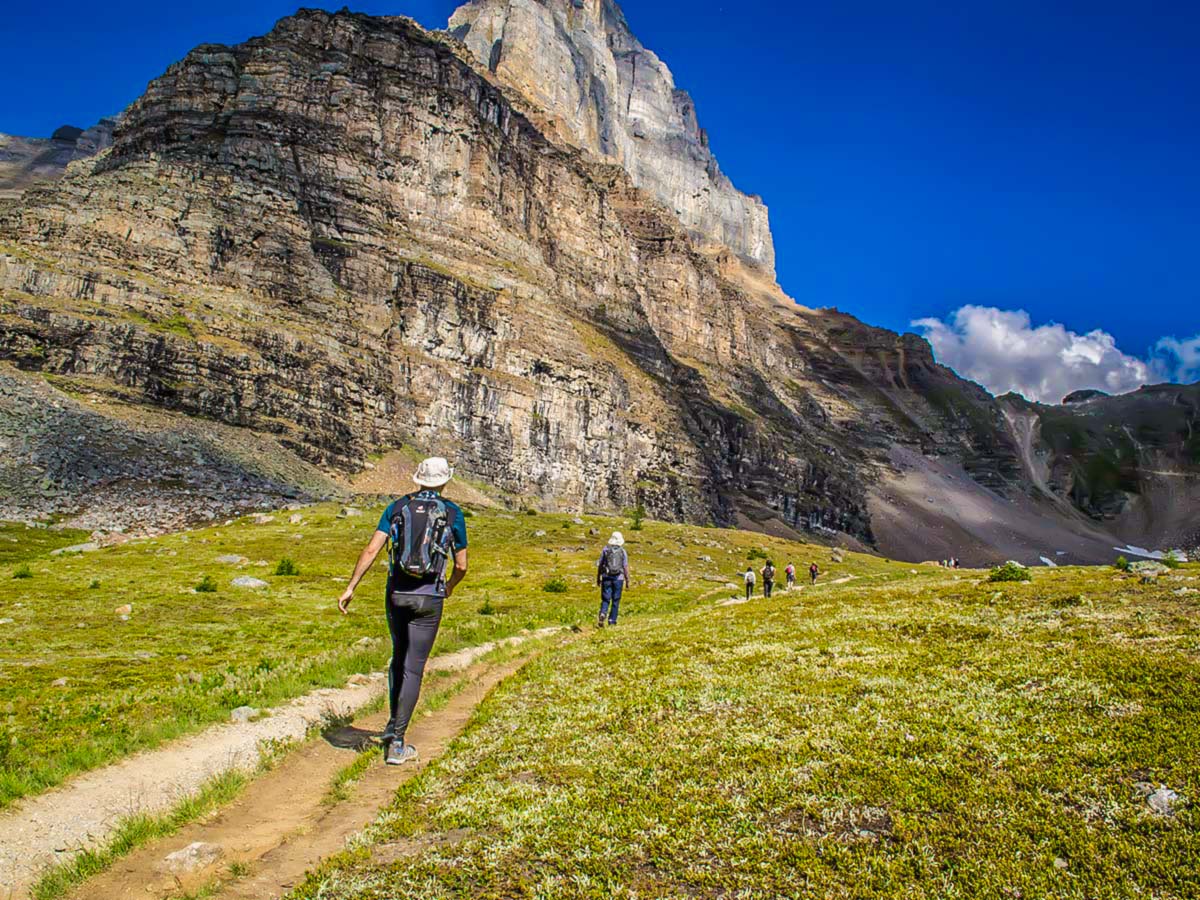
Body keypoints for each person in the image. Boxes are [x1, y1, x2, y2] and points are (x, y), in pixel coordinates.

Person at [337, 457, 468, 766]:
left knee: (398, 656)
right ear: (444, 482)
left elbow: (372, 549)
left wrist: (351, 587)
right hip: (429, 598)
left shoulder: (396, 507)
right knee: (414, 666)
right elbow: (461, 564)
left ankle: (391, 725)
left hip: (396, 593)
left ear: (419, 479)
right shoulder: (452, 513)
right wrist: (449, 586)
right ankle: (397, 741)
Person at [596, 531, 631, 627]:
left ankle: (603, 613)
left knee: (605, 599)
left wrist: (598, 577)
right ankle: (612, 621)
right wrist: (627, 581)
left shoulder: (606, 550)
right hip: (618, 579)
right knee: (616, 600)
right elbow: (625, 566)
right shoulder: (622, 551)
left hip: (606, 577)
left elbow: (600, 564)